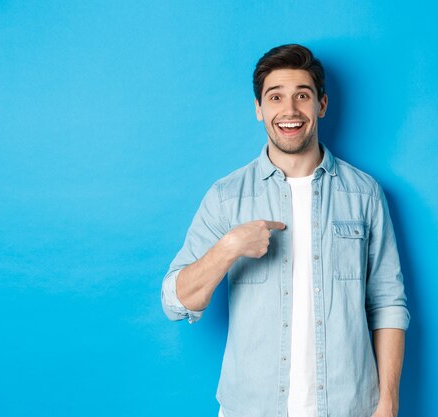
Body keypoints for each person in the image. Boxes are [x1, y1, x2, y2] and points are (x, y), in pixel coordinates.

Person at [161, 44, 410, 417]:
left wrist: (388, 403)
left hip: (348, 407)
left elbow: (388, 303)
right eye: (275, 97)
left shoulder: (364, 194)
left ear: (321, 105)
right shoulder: (227, 197)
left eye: (302, 96)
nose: (289, 110)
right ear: (259, 109)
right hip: (252, 408)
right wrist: (228, 247)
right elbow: (175, 302)